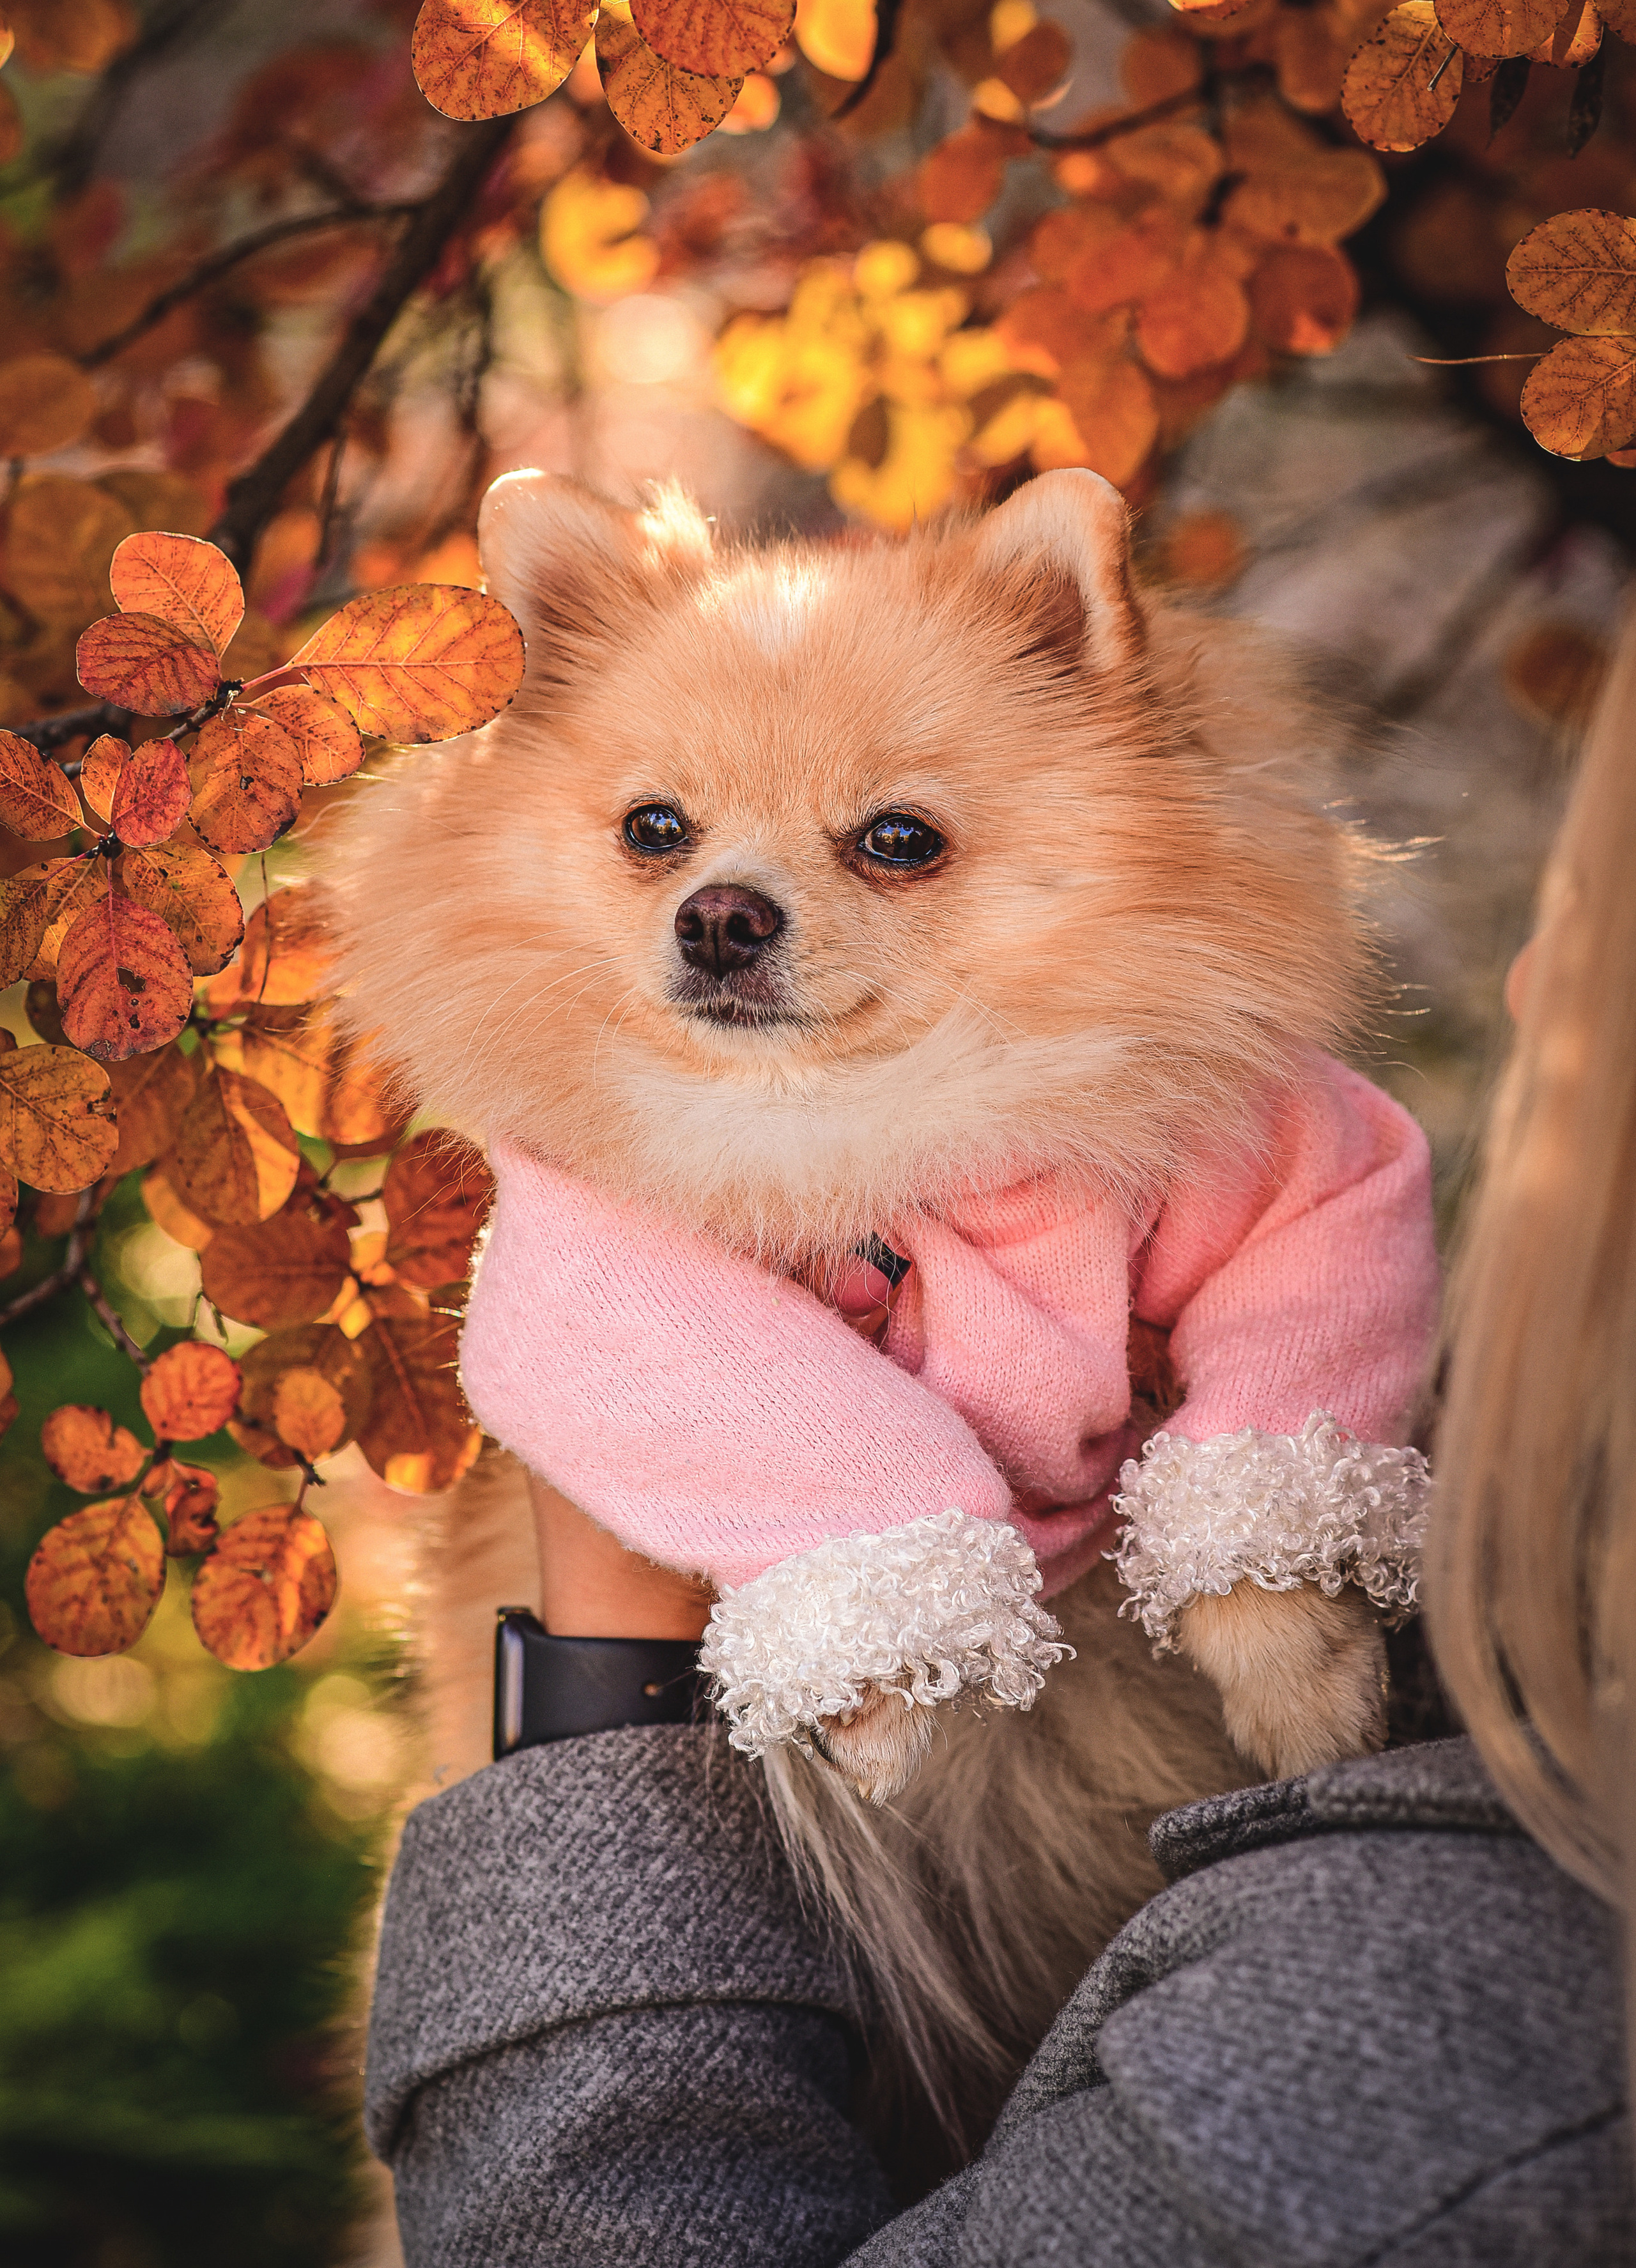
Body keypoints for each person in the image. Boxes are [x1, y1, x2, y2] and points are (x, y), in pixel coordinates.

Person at [364, 632, 1636, 2266]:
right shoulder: (1539, 1582)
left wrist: (602, 1667)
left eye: (895, 840)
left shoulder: (1464, 2048)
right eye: (656, 834)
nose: (720, 900)